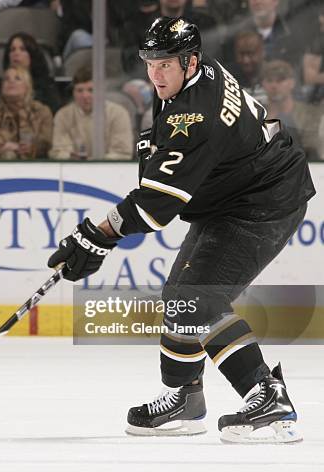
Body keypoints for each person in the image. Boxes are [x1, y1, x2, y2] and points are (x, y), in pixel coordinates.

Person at [47, 17, 314, 443]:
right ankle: (185, 398)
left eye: (165, 64)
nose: (155, 73)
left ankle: (268, 399)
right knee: (184, 296)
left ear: (189, 62)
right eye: (150, 63)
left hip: (261, 202)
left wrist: (95, 236)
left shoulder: (195, 114)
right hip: (236, 195)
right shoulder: (194, 73)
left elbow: (157, 207)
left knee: (197, 299)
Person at [49, 66, 133, 160]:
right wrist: (73, 157)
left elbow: (122, 153)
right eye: (80, 90)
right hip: (73, 172)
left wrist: (92, 164)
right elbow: (59, 151)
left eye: (91, 90)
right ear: (73, 92)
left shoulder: (119, 114)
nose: (85, 96)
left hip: (109, 172)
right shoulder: (63, 116)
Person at [0, 66, 53, 159]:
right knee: (8, 155)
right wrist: (18, 148)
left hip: (37, 165)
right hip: (3, 168)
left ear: (27, 87)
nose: (11, 82)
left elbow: (46, 143)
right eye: (6, 79)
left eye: (17, 78)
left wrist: (32, 148)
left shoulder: (42, 111)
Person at [262, 59, 323, 160]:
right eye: (269, 80)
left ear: (292, 83)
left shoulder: (309, 113)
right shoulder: (257, 114)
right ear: (263, 84)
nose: (274, 85)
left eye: (280, 80)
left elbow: (311, 149)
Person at [0, 32, 61, 113]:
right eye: (12, 50)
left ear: (32, 55)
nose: (16, 53)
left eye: (22, 49)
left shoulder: (46, 86)